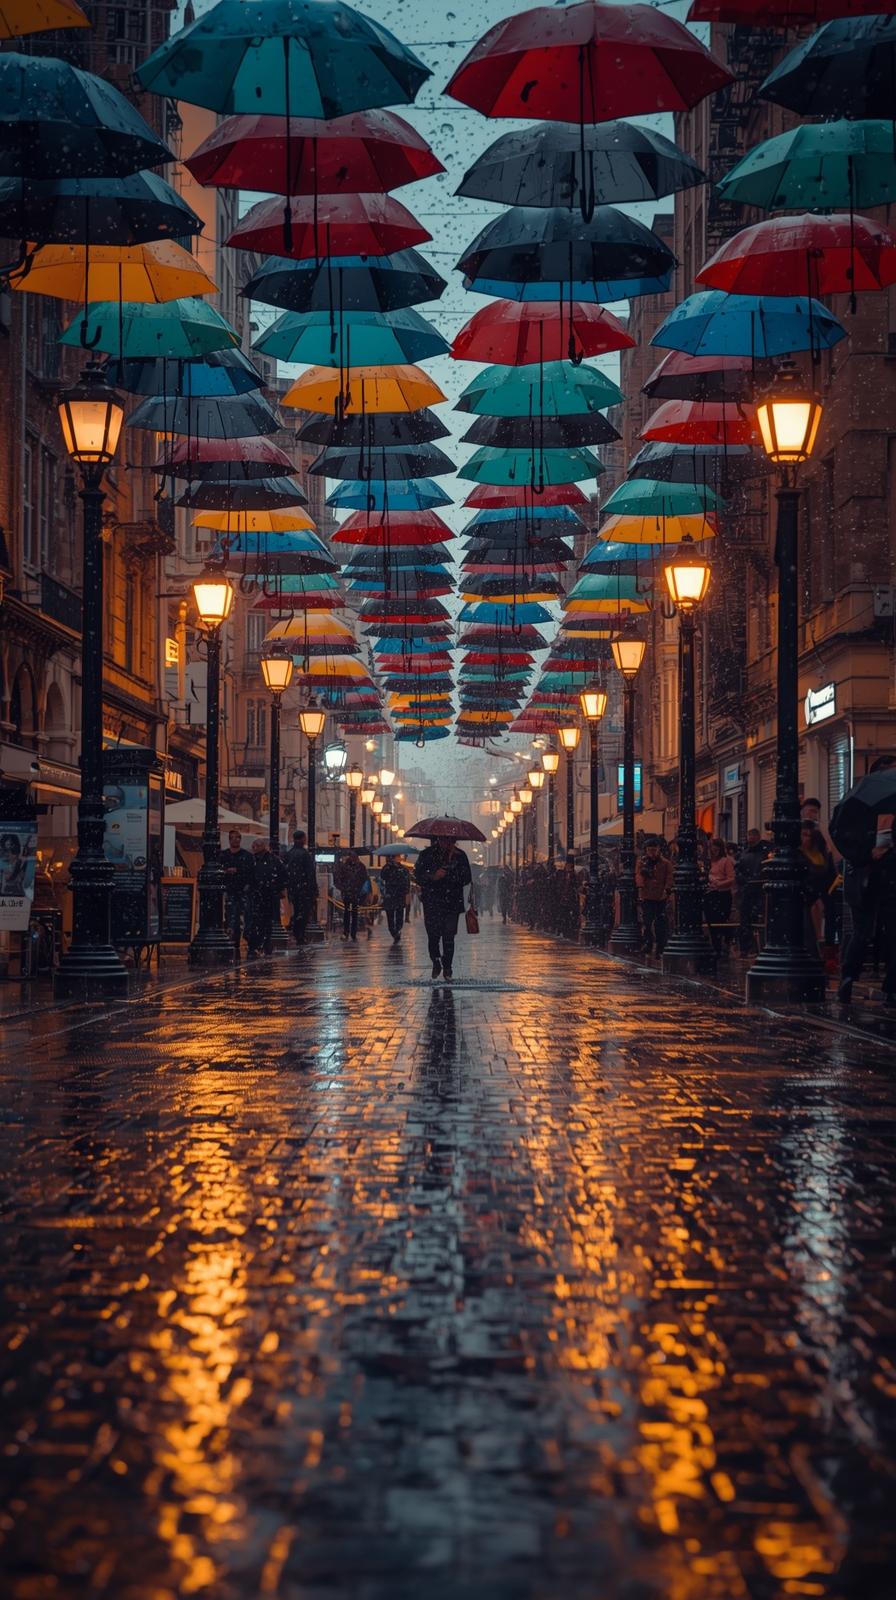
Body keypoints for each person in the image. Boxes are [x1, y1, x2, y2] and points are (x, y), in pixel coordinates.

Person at [414, 835, 472, 980]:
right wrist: (433, 876)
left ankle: (448, 967)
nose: (446, 843)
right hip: (432, 902)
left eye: (449, 840)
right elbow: (418, 875)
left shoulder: (459, 856)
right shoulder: (426, 855)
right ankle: (436, 961)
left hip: (452, 902)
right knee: (433, 936)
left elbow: (467, 878)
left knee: (448, 937)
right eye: (443, 840)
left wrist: (451, 875)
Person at [244, 838, 287, 956]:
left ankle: (260, 946)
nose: (254, 848)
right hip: (258, 896)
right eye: (254, 845)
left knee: (263, 922)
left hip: (266, 896)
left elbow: (282, 875)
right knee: (257, 922)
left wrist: (276, 888)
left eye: (257, 845)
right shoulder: (253, 860)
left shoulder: (271, 861)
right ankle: (258, 945)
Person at [800, 822, 835, 955]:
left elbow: (829, 874)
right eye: (804, 835)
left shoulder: (822, 855)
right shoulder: (799, 855)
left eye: (810, 835)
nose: (807, 839)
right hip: (808, 898)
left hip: (822, 896)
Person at [636, 836, 674, 957]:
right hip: (647, 897)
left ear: (658, 850)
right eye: (650, 850)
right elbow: (638, 877)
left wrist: (666, 890)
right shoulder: (642, 862)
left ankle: (660, 947)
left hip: (660, 897)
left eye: (654, 850)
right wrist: (640, 889)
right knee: (647, 922)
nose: (652, 853)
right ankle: (648, 942)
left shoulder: (666, 863)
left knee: (660, 924)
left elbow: (669, 878)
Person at [735, 828, 769, 954]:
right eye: (749, 835)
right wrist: (745, 880)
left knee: (756, 919)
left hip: (759, 890)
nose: (750, 838)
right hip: (746, 890)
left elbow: (764, 869)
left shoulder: (764, 853)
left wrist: (754, 880)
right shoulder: (744, 854)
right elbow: (738, 871)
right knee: (745, 920)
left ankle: (755, 946)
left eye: (752, 836)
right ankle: (747, 947)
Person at [221, 828, 254, 955]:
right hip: (230, 891)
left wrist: (240, 874)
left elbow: (250, 873)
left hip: (242, 891)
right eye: (233, 837)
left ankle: (240, 940)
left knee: (244, 917)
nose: (235, 840)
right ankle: (233, 942)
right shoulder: (223, 855)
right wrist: (226, 871)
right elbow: (219, 870)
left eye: (238, 837)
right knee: (231, 917)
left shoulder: (247, 856)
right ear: (229, 840)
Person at [282, 829, 316, 945]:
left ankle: (298, 934)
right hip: (303, 889)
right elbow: (310, 873)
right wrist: (312, 889)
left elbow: (285, 871)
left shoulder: (289, 853)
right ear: (302, 839)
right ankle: (300, 935)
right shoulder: (305, 854)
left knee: (296, 911)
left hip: (293, 888)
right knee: (303, 912)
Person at [704, 836, 736, 953]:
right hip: (710, 894)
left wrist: (719, 883)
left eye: (715, 849)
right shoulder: (709, 862)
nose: (713, 851)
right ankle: (716, 946)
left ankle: (724, 942)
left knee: (721, 921)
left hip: (722, 894)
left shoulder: (726, 861)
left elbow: (731, 878)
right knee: (711, 922)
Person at [334, 848, 367, 941]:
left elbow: (364, 878)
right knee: (347, 912)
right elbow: (338, 878)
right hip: (347, 893)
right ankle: (346, 932)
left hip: (355, 893)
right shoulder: (344, 866)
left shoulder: (360, 866)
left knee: (354, 913)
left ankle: (353, 933)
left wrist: (358, 887)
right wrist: (343, 888)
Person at [381, 855, 411, 943]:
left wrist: (405, 891)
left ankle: (397, 931)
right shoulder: (387, 868)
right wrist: (387, 866)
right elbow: (383, 876)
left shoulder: (403, 869)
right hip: (390, 896)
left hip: (399, 896)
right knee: (390, 917)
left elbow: (407, 882)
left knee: (399, 916)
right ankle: (394, 932)